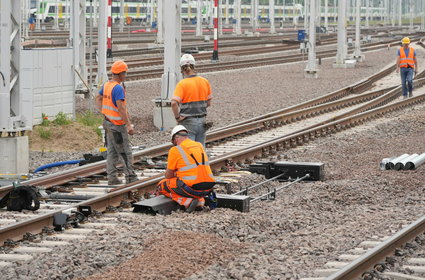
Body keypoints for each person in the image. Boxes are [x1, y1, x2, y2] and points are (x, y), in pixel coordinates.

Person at [95, 60, 138, 185]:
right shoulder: (118, 88)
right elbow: (121, 108)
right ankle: (130, 177)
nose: (125, 76)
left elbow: (98, 98)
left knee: (112, 152)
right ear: (120, 74)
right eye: (125, 73)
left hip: (108, 123)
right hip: (117, 126)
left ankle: (112, 178)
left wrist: (103, 111)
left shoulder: (107, 85)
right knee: (125, 152)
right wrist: (129, 125)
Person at [157, 125, 216, 212]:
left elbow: (168, 176)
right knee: (183, 182)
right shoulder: (199, 145)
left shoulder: (175, 150)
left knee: (162, 185)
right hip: (208, 188)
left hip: (192, 190)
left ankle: (187, 202)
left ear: (176, 138)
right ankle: (200, 202)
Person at [171, 54, 212, 147]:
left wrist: (177, 117)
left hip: (187, 122)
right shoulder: (204, 81)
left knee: (189, 151)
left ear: (181, 69)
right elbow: (209, 103)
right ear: (194, 66)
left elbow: (173, 103)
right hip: (202, 121)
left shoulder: (182, 84)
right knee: (200, 150)